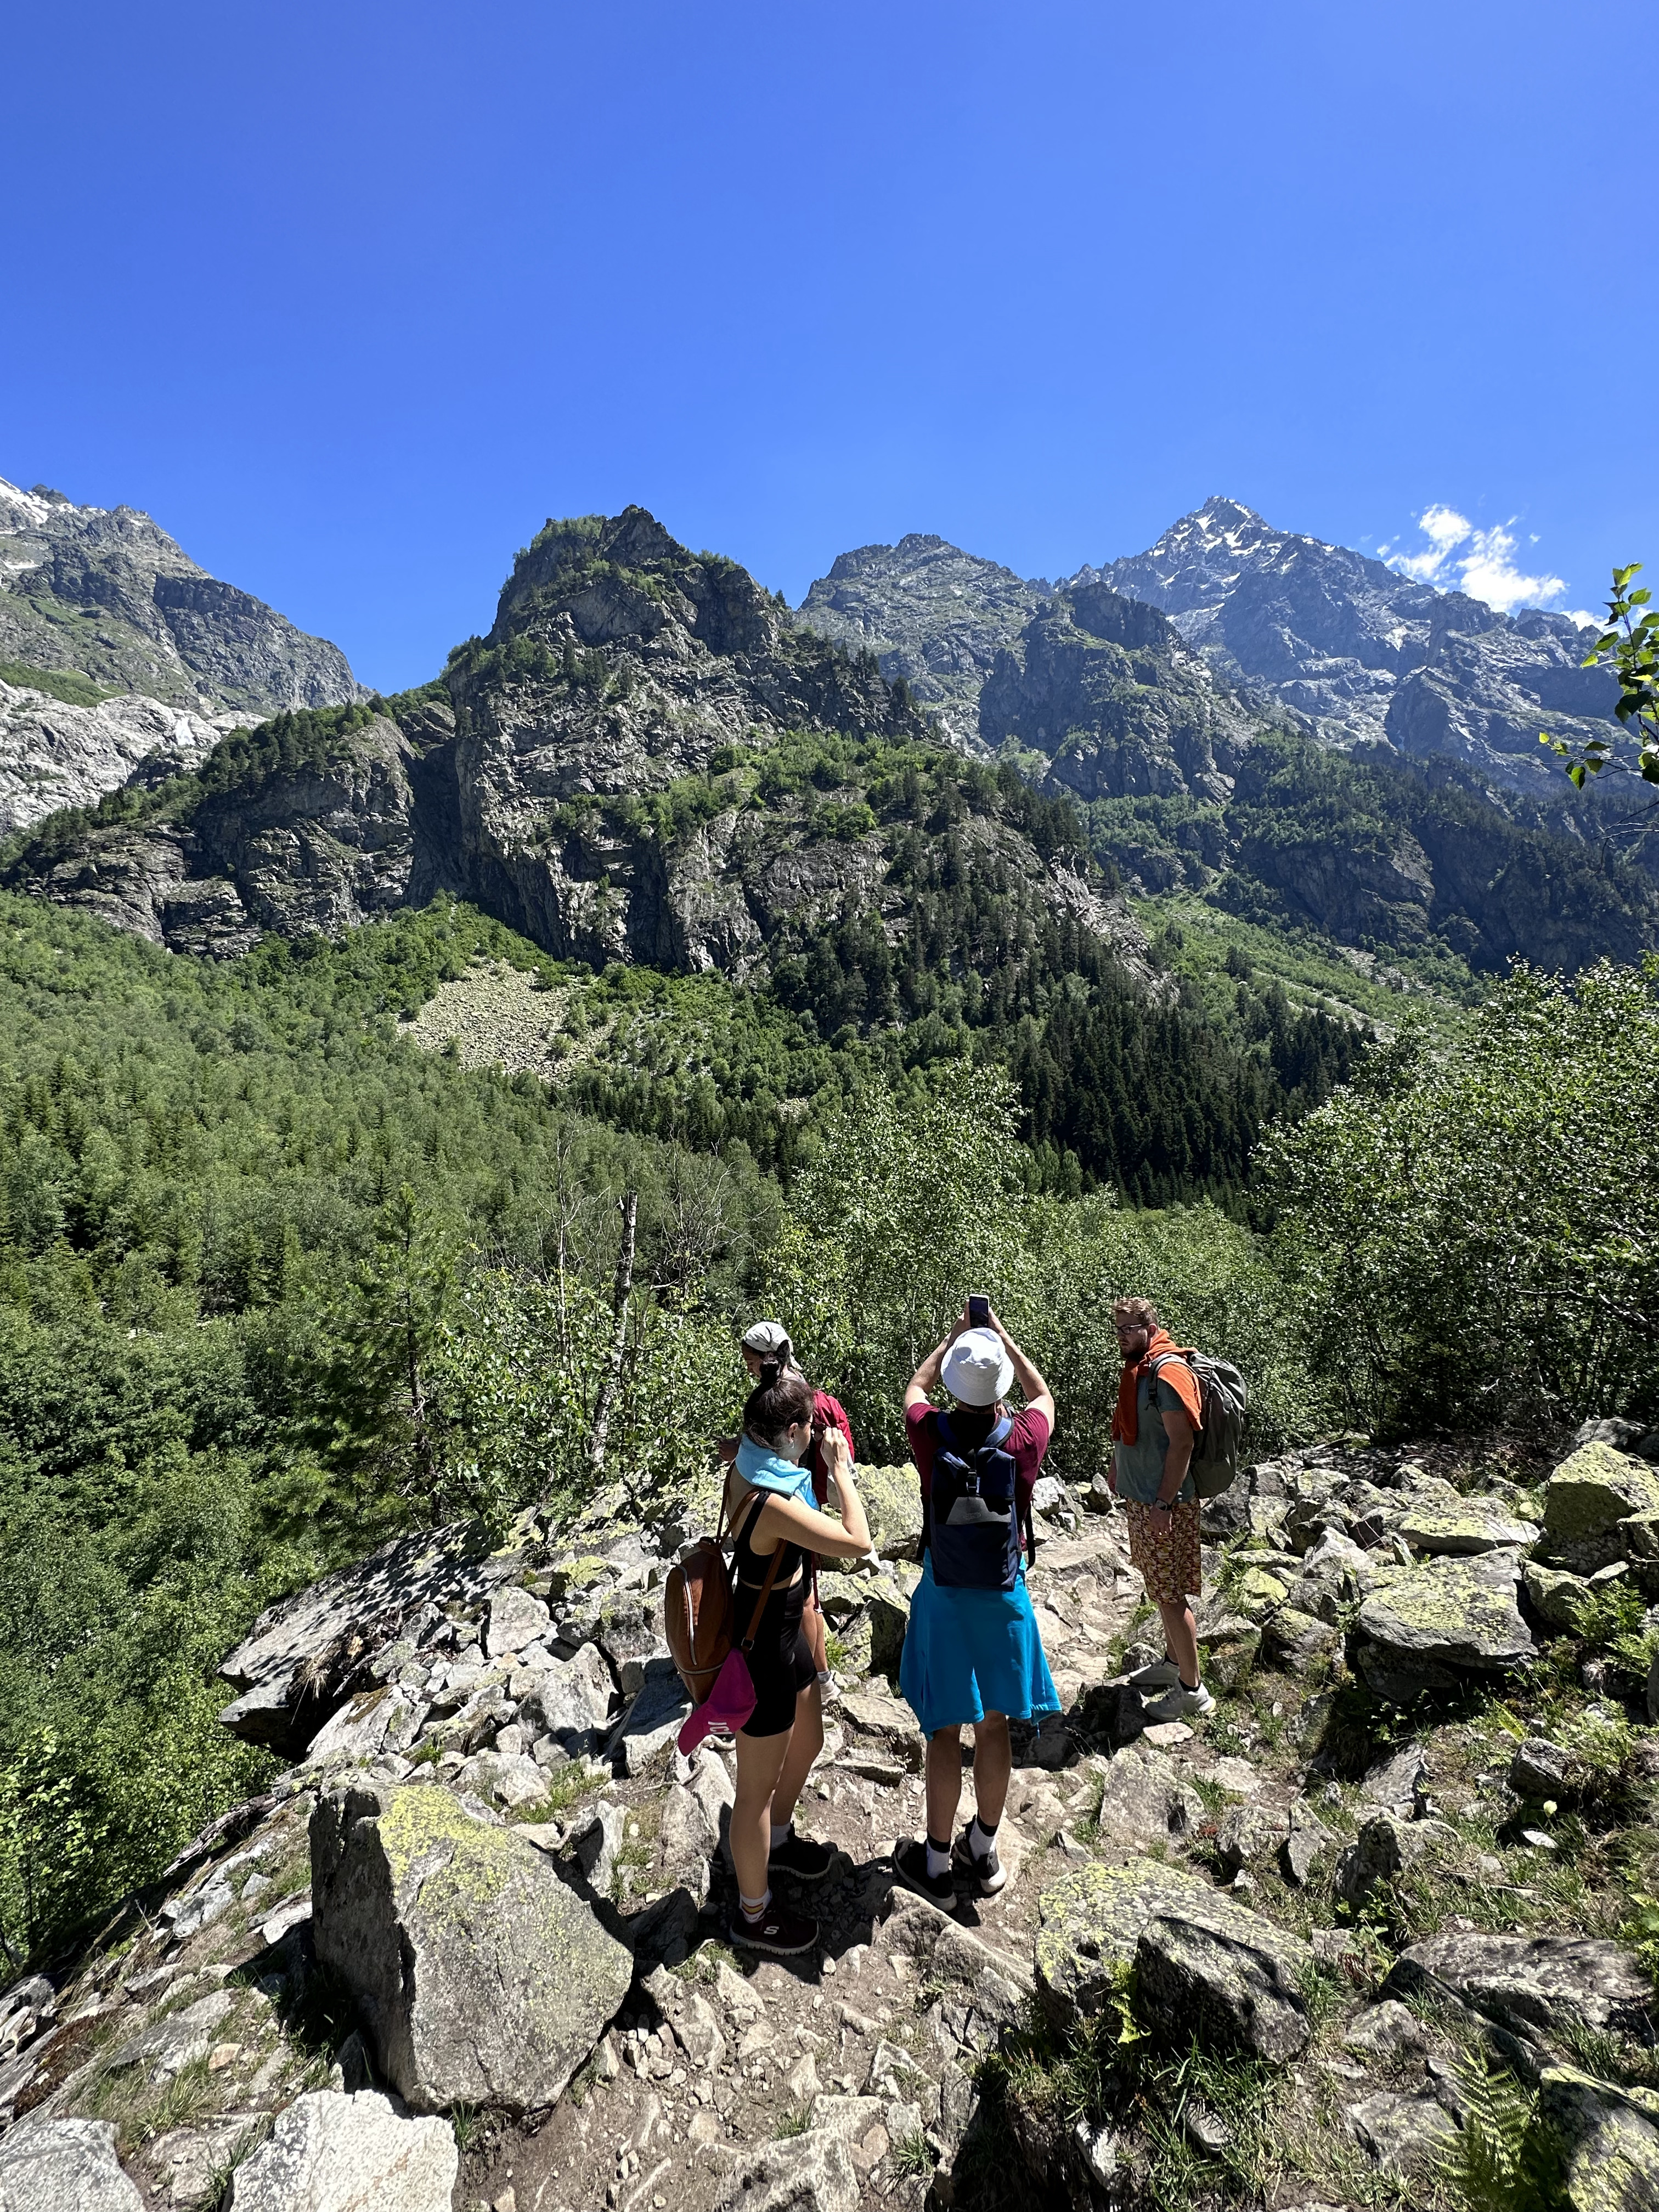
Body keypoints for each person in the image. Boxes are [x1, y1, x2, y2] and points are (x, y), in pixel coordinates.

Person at [894, 1306, 1059, 1912]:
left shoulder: (929, 1433)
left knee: (944, 1730)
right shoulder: (1023, 1438)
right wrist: (1003, 1340)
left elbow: (914, 1389)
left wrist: (952, 1339)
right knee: (994, 1727)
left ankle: (936, 1864)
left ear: (955, 1385)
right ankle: (983, 1852)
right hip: (1004, 1597)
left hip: (944, 1596)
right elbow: (1043, 1395)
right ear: (999, 1387)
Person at [719, 1357, 872, 1957]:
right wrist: (841, 1471)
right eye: (810, 1427)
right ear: (790, 1433)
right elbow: (857, 1541)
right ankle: (753, 1914)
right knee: (753, 1789)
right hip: (764, 1644)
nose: (815, 1436)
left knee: (808, 1738)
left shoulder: (751, 1460)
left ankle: (777, 1841)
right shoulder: (773, 1499)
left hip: (782, 1625)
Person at [719, 1320, 856, 1684]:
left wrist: (840, 1471)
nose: (750, 1368)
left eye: (752, 1362)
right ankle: (818, 1677)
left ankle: (820, 1675)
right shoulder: (788, 1389)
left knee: (805, 1595)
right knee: (801, 1593)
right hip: (788, 1509)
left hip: (791, 1508)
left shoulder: (781, 1395)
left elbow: (858, 1542)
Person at [1107, 1295, 1215, 1722]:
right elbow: (1130, 1423)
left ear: (1150, 1329)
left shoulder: (1168, 1373)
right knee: (1160, 1587)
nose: (1121, 1336)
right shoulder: (1139, 1369)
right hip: (1145, 1499)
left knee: (1170, 1595)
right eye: (1117, 1328)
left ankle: (1193, 1691)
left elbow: (1183, 1442)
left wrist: (1164, 1503)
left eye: (1129, 1328)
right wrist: (1118, 1462)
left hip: (1166, 1503)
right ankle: (1173, 1664)